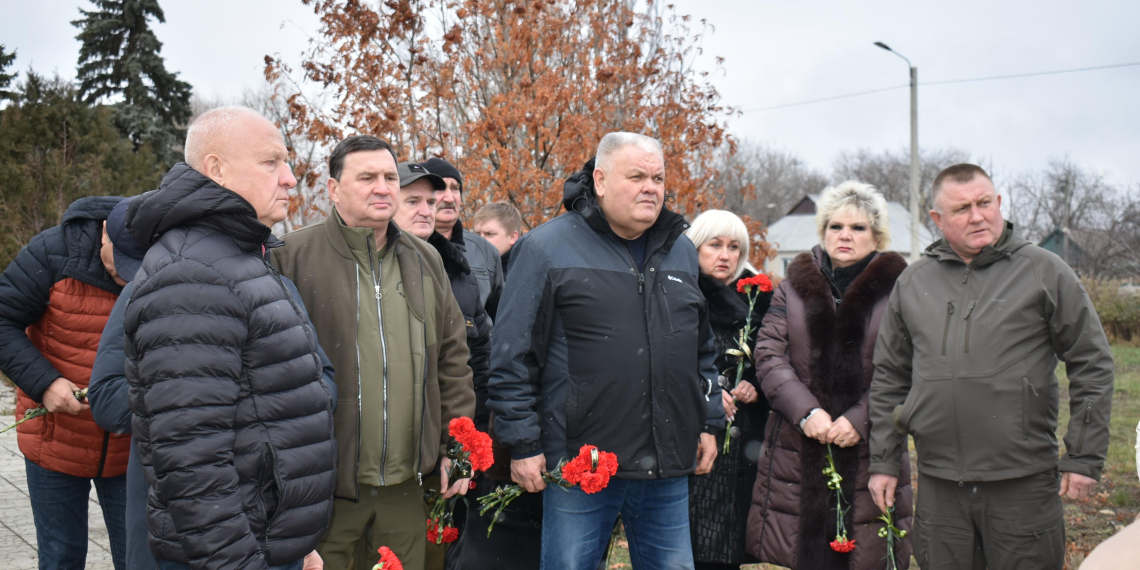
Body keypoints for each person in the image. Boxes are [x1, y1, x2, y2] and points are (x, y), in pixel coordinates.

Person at [487, 132, 722, 570]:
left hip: (667, 462)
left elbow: (700, 349)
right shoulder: (545, 248)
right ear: (599, 179)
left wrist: (709, 421)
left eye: (658, 177)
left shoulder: (682, 251)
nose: (651, 187)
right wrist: (522, 444)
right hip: (583, 464)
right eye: (636, 176)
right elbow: (511, 355)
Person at [868, 164, 1115, 570]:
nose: (978, 215)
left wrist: (1084, 456)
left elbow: (1092, 362)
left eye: (985, 203)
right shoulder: (913, 283)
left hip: (1022, 482)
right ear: (938, 219)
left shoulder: (1044, 270)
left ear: (999, 203)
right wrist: (883, 462)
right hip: (940, 484)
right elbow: (890, 378)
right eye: (962, 208)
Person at [122, 106, 335, 570]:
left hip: (264, 541)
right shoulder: (193, 276)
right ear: (216, 168)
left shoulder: (235, 258)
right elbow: (192, 461)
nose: (291, 178)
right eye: (271, 162)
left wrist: (293, 541)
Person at [271, 136, 476, 570]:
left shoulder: (426, 260)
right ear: (332, 189)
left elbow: (453, 362)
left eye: (388, 177)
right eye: (367, 177)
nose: (383, 187)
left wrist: (456, 451)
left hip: (407, 488)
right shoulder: (289, 258)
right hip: (326, 490)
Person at [745, 182, 913, 570]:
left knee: (862, 556)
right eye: (836, 226)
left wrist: (860, 418)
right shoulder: (793, 287)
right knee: (805, 554)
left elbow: (910, 368)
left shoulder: (901, 290)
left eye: (858, 228)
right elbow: (769, 354)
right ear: (823, 230)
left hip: (871, 449)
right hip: (796, 445)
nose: (845, 236)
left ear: (877, 234)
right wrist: (807, 412)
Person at [0, 195, 131, 570]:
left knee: (137, 558)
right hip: (53, 438)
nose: (127, 275)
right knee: (61, 557)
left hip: (128, 447)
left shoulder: (165, 259)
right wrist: (45, 383)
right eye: (121, 262)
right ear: (105, 232)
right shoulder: (50, 252)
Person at [391, 161, 492, 569]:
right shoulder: (364, 271)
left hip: (445, 452)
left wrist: (468, 446)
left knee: (441, 553)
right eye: (412, 200)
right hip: (384, 459)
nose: (427, 209)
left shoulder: (461, 274)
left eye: (430, 201)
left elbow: (477, 361)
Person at [684, 210, 772, 570]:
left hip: (741, 448)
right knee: (689, 541)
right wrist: (706, 390)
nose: (725, 255)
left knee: (725, 546)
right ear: (694, 248)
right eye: (714, 245)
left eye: (734, 247)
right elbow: (663, 360)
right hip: (691, 438)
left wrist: (757, 385)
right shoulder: (679, 295)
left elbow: (776, 359)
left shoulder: (759, 302)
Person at [422, 157, 504, 314]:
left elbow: (502, 318)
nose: (450, 198)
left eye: (455, 188)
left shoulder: (486, 252)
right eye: (441, 189)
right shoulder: (405, 246)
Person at [472, 201, 524, 275]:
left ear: (512, 237)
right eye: (478, 234)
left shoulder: (525, 274)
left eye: (489, 234)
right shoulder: (469, 268)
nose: (480, 240)